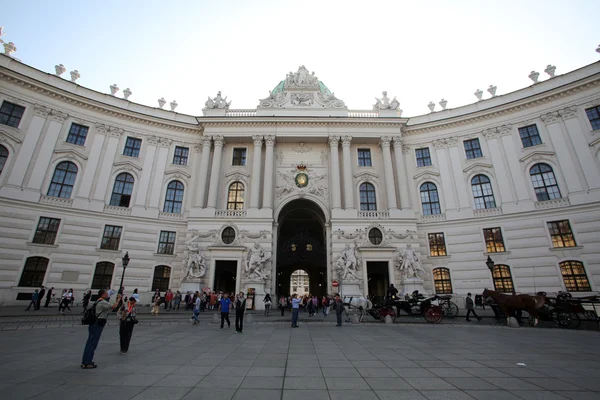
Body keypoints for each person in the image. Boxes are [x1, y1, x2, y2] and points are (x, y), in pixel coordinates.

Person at [81, 289, 120, 368]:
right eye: (106, 293)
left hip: (94, 324)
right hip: (97, 324)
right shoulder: (102, 302)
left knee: (90, 342)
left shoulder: (98, 301)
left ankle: (86, 361)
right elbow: (113, 307)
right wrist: (118, 299)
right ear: (103, 294)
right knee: (92, 343)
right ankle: (87, 362)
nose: (107, 294)